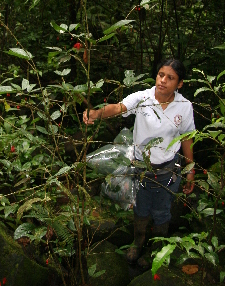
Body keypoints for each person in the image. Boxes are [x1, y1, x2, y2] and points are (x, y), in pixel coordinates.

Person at [83, 59, 195, 264]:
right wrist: (97, 114)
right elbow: (118, 108)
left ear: (179, 84)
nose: (163, 81)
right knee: (140, 208)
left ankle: (157, 249)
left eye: (170, 78)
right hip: (141, 169)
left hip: (167, 171)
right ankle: (138, 243)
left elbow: (186, 137)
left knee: (162, 211)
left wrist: (190, 169)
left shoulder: (184, 107)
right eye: (161, 75)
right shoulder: (143, 97)